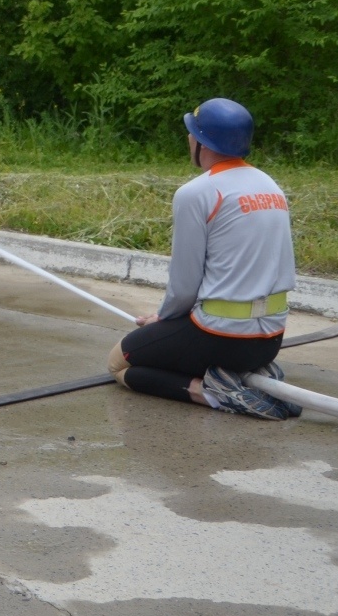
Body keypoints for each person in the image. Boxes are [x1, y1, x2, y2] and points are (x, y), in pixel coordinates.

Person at [107, 98, 303, 420]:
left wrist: (164, 318)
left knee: (119, 364)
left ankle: (216, 394)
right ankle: (244, 377)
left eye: (191, 132)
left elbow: (184, 286)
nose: (188, 138)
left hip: (220, 337)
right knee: (162, 347)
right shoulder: (272, 187)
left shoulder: (197, 193)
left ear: (200, 142)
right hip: (270, 339)